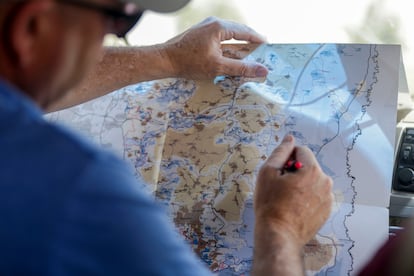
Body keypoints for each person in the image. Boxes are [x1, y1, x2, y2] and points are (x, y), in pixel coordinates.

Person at [0, 0, 334, 275]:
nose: (109, 40)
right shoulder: (77, 186)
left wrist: (169, 58)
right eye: (117, 22)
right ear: (31, 26)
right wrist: (282, 231)